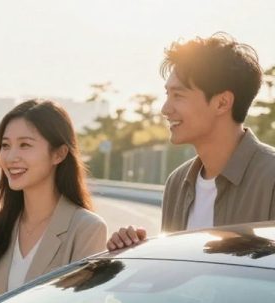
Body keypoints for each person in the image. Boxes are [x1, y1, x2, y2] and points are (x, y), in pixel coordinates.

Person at [109, 34, 274, 249]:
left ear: (222, 103)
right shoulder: (177, 183)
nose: (165, 109)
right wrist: (134, 252)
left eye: (178, 96)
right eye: (167, 95)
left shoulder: (270, 179)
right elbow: (175, 276)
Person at [0, 99, 106, 303]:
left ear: (59, 154)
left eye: (25, 145)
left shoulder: (86, 230)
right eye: (5, 145)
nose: (10, 157)